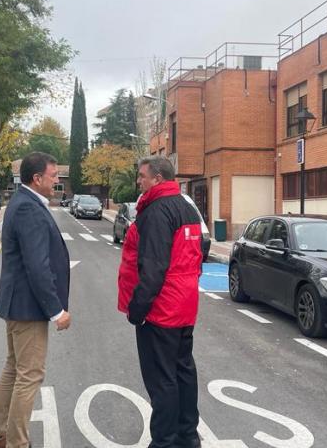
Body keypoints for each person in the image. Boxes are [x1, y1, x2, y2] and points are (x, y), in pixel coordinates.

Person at [0, 152, 71, 448]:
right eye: (54, 175)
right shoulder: (29, 209)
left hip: (18, 304)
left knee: (13, 369)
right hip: (28, 307)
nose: (57, 180)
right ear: (37, 178)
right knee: (29, 376)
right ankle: (16, 443)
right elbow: (37, 265)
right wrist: (56, 310)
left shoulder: (22, 202)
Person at [116, 155, 204, 448]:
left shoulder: (155, 212)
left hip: (161, 309)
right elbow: (199, 250)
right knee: (183, 372)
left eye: (142, 176)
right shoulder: (187, 208)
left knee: (161, 380)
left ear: (157, 178)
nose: (138, 181)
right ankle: (188, 437)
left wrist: (137, 310)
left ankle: (164, 441)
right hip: (185, 304)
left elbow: (152, 268)